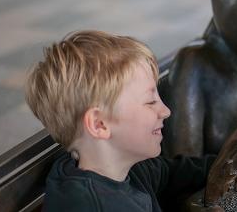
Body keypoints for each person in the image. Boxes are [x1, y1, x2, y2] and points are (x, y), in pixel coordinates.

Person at [25, 30, 215, 211]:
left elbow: (175, 172)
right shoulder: (90, 206)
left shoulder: (130, 166)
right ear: (99, 124)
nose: (165, 111)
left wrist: (228, 162)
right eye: (150, 102)